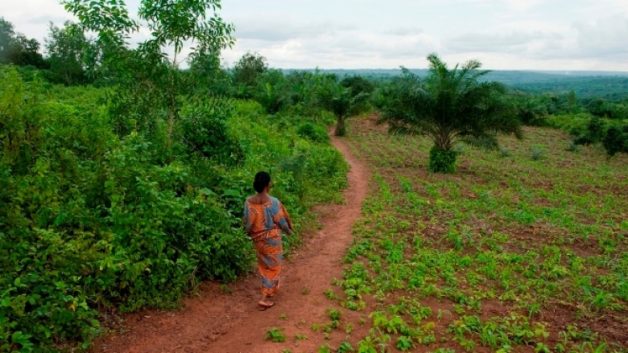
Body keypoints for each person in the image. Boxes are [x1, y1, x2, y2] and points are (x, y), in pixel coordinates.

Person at [243, 171, 293, 309]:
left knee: (264, 266)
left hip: (258, 240)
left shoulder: (248, 202)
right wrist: (288, 231)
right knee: (274, 267)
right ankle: (264, 297)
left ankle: (271, 289)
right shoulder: (273, 202)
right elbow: (281, 220)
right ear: (267, 184)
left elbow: (247, 223)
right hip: (272, 240)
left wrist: (250, 234)